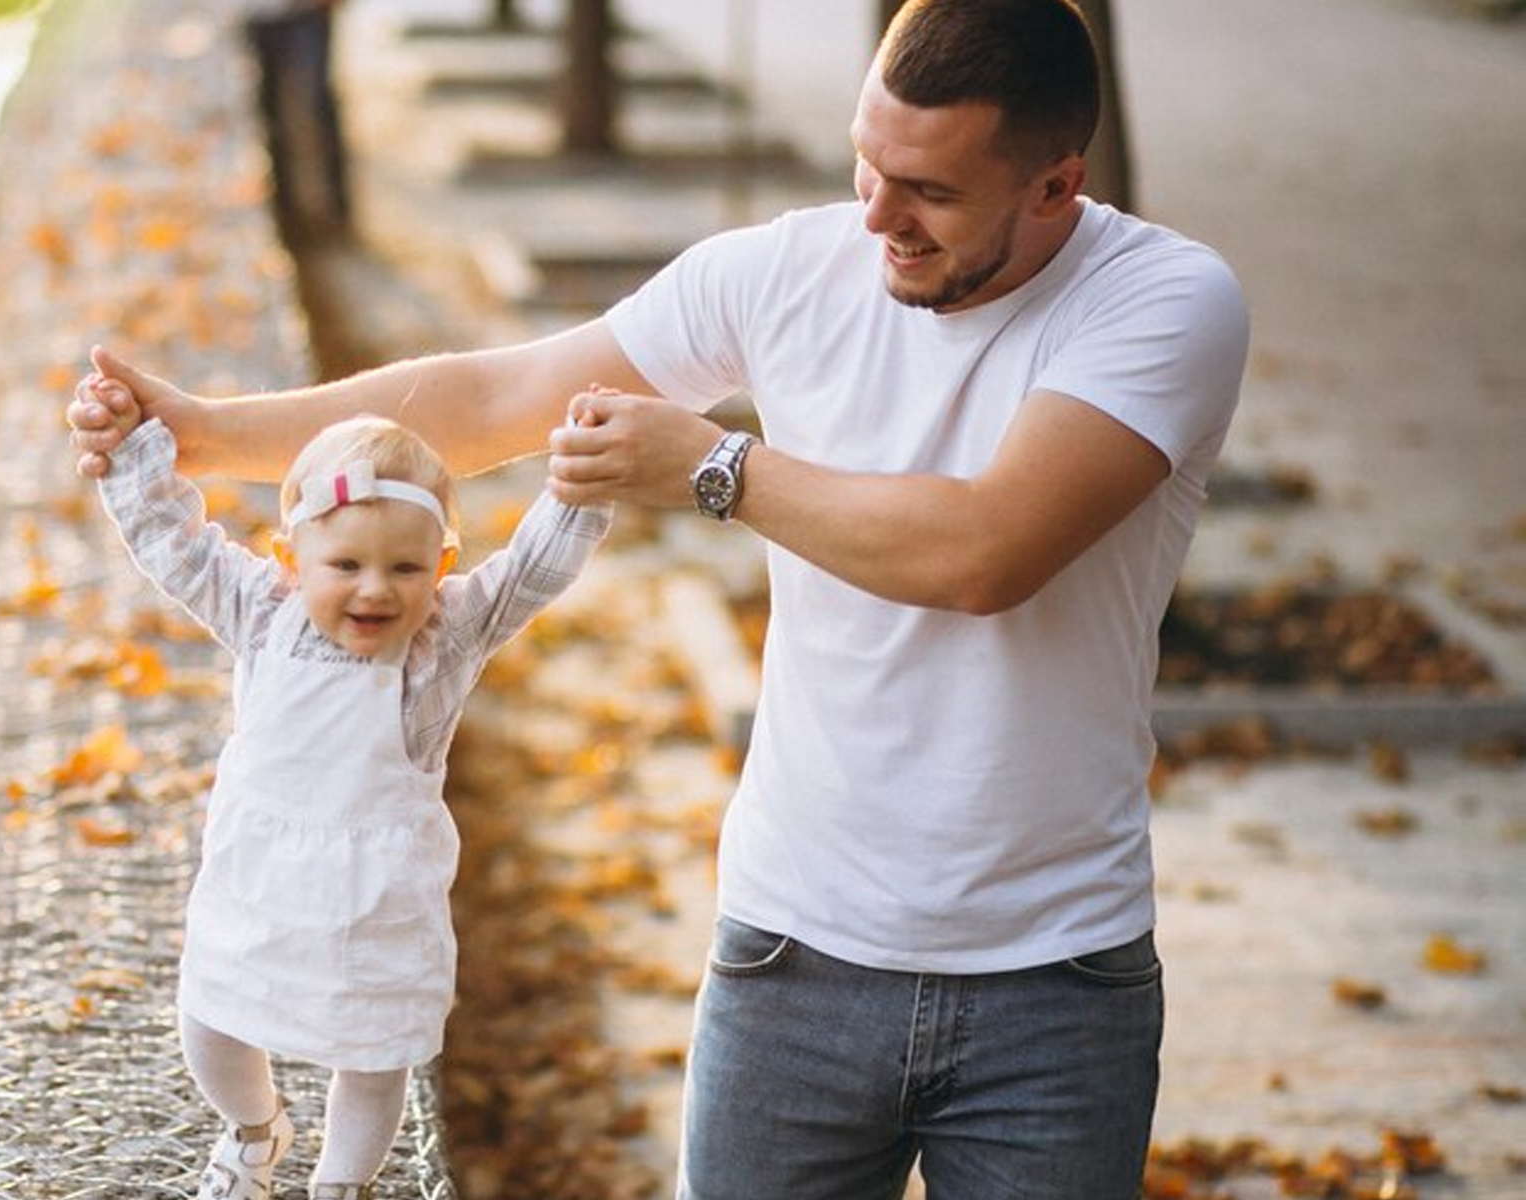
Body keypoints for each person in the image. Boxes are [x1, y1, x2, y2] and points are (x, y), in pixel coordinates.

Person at [71, 0, 1250, 1194]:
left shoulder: (1164, 302)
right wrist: (203, 433)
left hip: (1055, 987)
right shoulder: (788, 269)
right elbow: (490, 403)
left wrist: (713, 467)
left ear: (1057, 185)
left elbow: (985, 554)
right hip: (791, 955)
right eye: (867, 164)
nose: (878, 218)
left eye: (930, 194)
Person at [85, 386, 611, 1200]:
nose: (375, 590)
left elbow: (530, 573)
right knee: (209, 1024)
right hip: (258, 886)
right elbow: (175, 545)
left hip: (378, 903)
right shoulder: (265, 614)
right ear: (292, 563)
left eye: (405, 567)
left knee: (373, 1057)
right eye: (345, 566)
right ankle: (255, 1129)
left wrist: (580, 479)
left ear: (440, 568)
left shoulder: (443, 637)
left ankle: (341, 1183)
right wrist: (129, 453)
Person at [239, 0, 352, 242]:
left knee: (312, 109)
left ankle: (333, 211)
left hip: (303, 13)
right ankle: (288, 215)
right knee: (270, 118)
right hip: (254, 14)